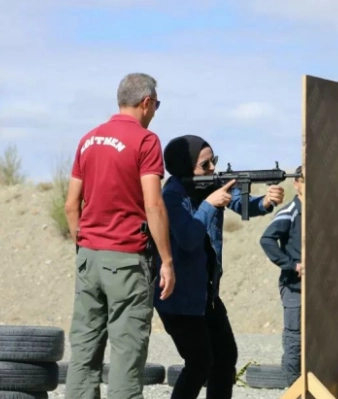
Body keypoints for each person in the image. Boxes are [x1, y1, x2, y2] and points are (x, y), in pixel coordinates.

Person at [63, 72, 176, 399]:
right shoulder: (146, 141)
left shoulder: (89, 139)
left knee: (84, 351)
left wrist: (85, 246)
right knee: (127, 354)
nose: (155, 112)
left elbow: (72, 205)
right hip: (126, 260)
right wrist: (167, 261)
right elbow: (153, 205)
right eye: (156, 105)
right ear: (147, 102)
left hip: (89, 258)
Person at [154, 135, 285, 399]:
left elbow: (242, 203)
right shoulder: (171, 196)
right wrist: (209, 205)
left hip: (205, 295)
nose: (213, 169)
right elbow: (189, 239)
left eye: (213, 161)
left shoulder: (211, 185)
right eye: (205, 165)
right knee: (200, 362)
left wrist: (266, 201)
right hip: (177, 298)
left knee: (225, 358)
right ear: (186, 166)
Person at [259, 165, 303, 387]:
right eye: (304, 180)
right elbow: (267, 240)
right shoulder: (290, 212)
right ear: (296, 183)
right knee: (295, 340)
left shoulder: (323, 212)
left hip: (318, 289)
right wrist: (292, 265)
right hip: (294, 286)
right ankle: (293, 388)